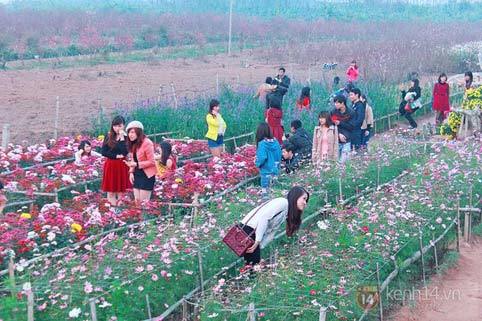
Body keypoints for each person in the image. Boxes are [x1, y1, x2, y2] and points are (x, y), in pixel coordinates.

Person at [239, 186, 309, 266]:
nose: (305, 203)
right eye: (304, 198)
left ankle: (248, 276)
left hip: (253, 233)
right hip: (249, 229)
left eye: (306, 200)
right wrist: (257, 242)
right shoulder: (283, 203)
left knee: (252, 263)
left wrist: (260, 245)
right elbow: (264, 218)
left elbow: (272, 232)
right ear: (296, 196)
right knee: (253, 264)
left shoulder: (286, 211)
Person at [124, 121, 157, 204]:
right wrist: (131, 172)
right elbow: (133, 159)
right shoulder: (133, 143)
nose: (130, 135)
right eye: (128, 132)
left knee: (144, 204)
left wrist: (137, 164)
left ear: (138, 132)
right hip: (137, 174)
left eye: (132, 132)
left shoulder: (147, 143)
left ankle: (146, 217)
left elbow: (152, 161)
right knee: (137, 202)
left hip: (147, 175)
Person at [101, 116, 131, 206]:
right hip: (111, 165)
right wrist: (116, 156)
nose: (117, 128)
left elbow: (125, 152)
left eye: (119, 126)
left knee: (121, 190)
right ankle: (112, 210)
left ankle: (120, 210)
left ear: (124, 126)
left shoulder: (126, 137)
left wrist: (122, 138)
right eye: (115, 126)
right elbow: (103, 152)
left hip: (122, 166)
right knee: (111, 191)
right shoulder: (109, 135)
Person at [255, 123, 282, 200]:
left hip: (266, 172)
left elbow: (262, 157)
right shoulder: (276, 142)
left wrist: (257, 163)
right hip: (275, 170)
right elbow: (279, 154)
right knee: (275, 193)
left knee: (266, 196)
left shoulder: (262, 144)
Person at [330, 95, 355, 162]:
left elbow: (351, 127)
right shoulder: (333, 112)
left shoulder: (351, 112)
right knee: (336, 161)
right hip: (336, 140)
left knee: (344, 162)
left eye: (337, 103)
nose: (335, 104)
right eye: (335, 103)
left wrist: (340, 123)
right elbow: (332, 126)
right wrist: (338, 134)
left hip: (347, 140)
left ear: (343, 103)